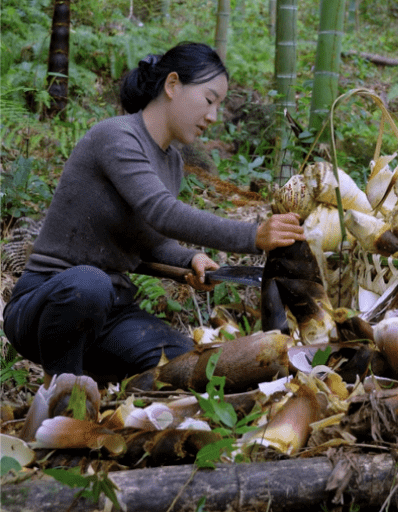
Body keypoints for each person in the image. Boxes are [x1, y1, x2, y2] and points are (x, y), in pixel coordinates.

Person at [3, 42, 304, 385]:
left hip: (110, 313)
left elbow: (153, 241)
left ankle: (102, 386)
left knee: (187, 366)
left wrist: (190, 259)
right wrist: (252, 236)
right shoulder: (117, 136)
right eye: (209, 100)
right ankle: (61, 389)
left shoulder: (172, 162)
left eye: (219, 106)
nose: (213, 116)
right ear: (172, 85)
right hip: (47, 304)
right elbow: (162, 212)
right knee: (90, 285)